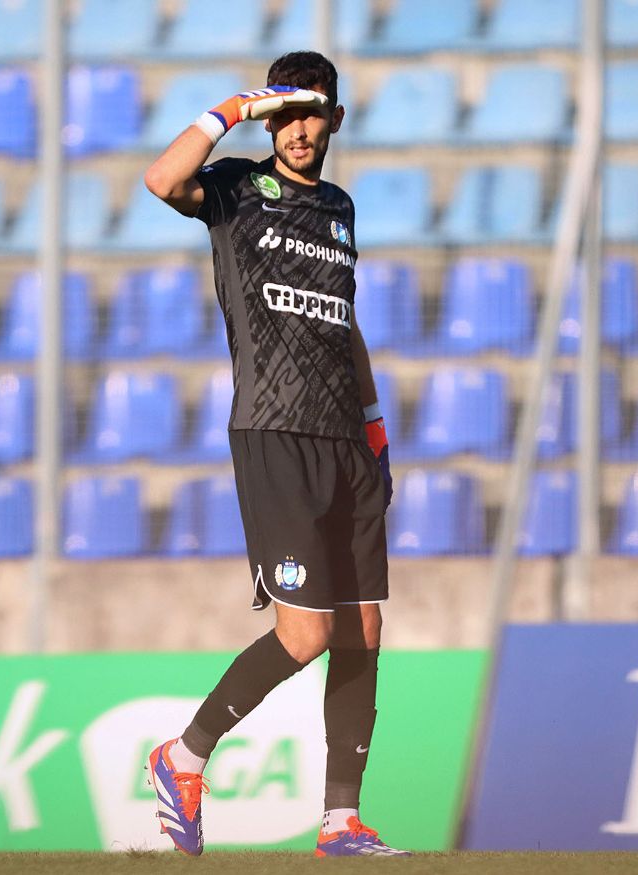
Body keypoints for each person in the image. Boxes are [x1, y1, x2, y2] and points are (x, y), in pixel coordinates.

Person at [142, 51, 409, 858]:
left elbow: (343, 323)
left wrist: (375, 426)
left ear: (336, 120)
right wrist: (232, 109)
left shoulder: (339, 207)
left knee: (362, 626)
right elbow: (161, 179)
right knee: (306, 635)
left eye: (312, 113)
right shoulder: (234, 189)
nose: (298, 130)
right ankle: (183, 756)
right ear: (269, 118)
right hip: (274, 433)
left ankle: (341, 822)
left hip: (346, 440)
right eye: (285, 115)